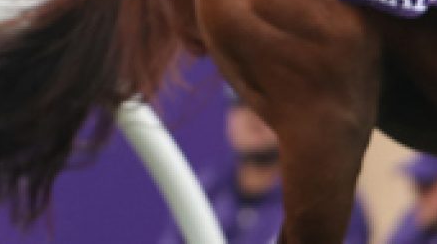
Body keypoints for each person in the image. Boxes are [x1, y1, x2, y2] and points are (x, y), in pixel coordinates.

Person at [156, 88, 369, 244]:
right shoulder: (205, 190)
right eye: (241, 104)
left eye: (266, 107)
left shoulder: (324, 203)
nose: (253, 117)